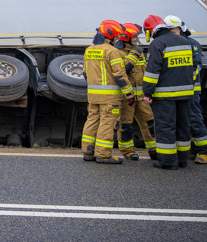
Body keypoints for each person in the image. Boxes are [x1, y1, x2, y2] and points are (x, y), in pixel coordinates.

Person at [142, 15, 197, 170]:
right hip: (185, 93)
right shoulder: (185, 42)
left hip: (165, 95)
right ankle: (182, 160)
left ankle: (167, 161)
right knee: (183, 126)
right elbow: (193, 69)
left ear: (150, 30)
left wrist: (148, 92)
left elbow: (153, 72)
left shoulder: (158, 44)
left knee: (165, 127)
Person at [80, 19, 133, 164]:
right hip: (110, 98)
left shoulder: (89, 49)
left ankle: (88, 152)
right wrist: (130, 94)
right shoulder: (113, 52)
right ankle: (103, 155)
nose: (117, 40)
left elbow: (85, 73)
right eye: (116, 37)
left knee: (92, 121)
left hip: (93, 95)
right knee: (107, 124)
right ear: (109, 36)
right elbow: (120, 76)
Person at [165, 15, 207, 165]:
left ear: (181, 29)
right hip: (176, 90)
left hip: (191, 90)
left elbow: (196, 66)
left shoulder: (192, 44)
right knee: (182, 122)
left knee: (194, 119)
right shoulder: (167, 44)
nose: (172, 33)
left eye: (174, 30)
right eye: (169, 31)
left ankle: (205, 151)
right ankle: (191, 149)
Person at [116, 23, 157, 160]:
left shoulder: (138, 52)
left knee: (149, 122)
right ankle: (127, 151)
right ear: (125, 38)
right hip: (127, 97)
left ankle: (154, 149)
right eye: (133, 37)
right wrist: (134, 53)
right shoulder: (118, 53)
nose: (136, 39)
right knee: (126, 125)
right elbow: (124, 68)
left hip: (141, 97)